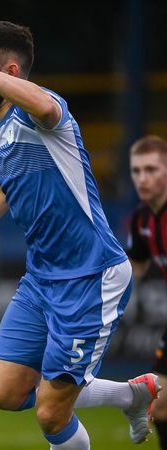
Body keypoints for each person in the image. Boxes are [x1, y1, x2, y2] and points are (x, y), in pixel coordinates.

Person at [0, 11, 160, 449]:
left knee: (50, 412)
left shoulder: (44, 113)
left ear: (8, 71)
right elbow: (0, 190)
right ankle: (131, 395)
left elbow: (43, 106)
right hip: (41, 279)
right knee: (3, 393)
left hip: (90, 275)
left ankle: (122, 398)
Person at [128, 134, 167, 449]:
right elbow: (134, 269)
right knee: (160, 403)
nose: (143, 178)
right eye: (136, 170)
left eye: (151, 169)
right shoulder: (141, 219)